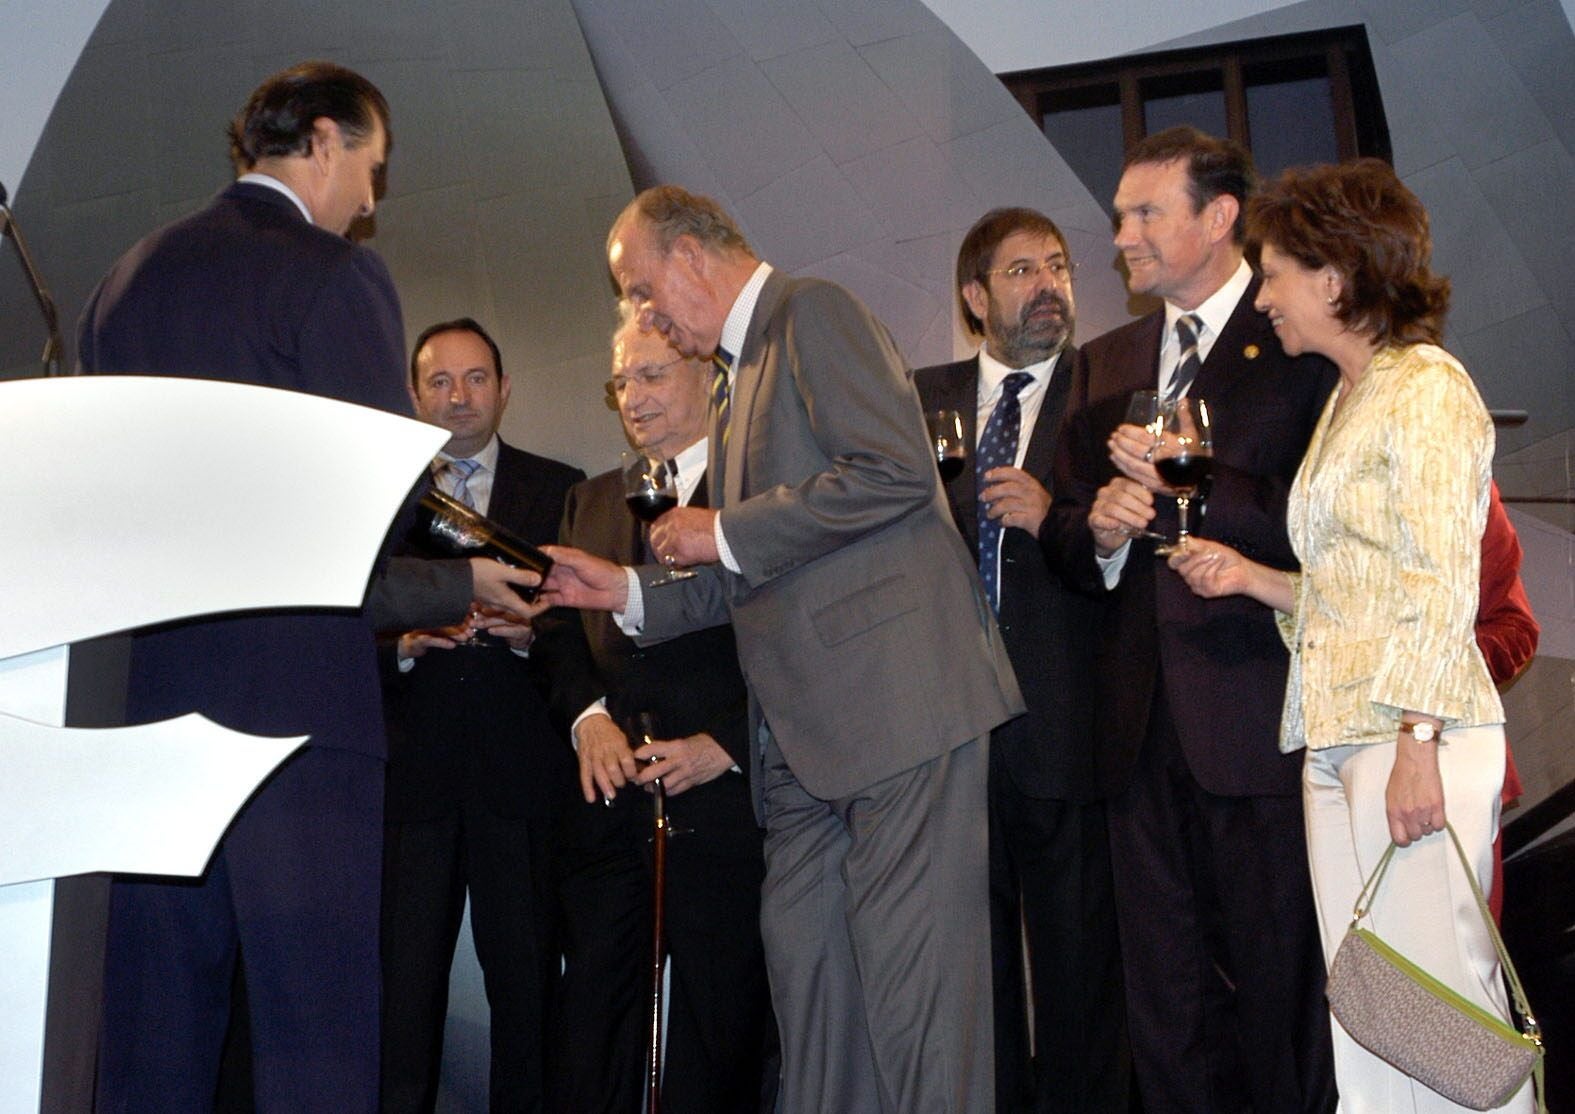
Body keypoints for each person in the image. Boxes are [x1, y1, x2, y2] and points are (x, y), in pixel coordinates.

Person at [76, 63, 539, 1112]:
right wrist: (459, 581)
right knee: (316, 1042)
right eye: (371, 169)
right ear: (323, 142)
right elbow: (356, 523)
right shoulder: (333, 275)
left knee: (151, 1046)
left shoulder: (126, 278)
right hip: (297, 718)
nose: (370, 202)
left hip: (146, 716)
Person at [542, 185, 1023, 1114]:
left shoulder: (812, 312)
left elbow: (892, 472)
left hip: (895, 713)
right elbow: (754, 564)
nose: (643, 316)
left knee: (916, 1001)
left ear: (690, 258)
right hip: (800, 744)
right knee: (814, 989)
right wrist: (628, 590)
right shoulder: (736, 376)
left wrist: (721, 529)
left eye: (641, 290)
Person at [1168, 158, 1530, 1113]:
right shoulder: (1347, 397)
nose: (1266, 296)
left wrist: (1417, 742)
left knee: (1438, 1022)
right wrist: (1254, 580)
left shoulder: (1425, 388)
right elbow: (1357, 585)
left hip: (1409, 737)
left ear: (1333, 279)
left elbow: (1437, 576)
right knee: (1370, 1023)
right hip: (1337, 741)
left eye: (1276, 271)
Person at [1042, 127, 1336, 1114]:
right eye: (1119, 214)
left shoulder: (1295, 339)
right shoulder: (1104, 361)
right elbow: (1064, 534)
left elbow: (1322, 521)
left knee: (1276, 990)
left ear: (1219, 217)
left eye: (1144, 212)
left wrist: (1187, 481)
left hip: (1255, 722)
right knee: (1163, 1005)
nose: (1120, 235)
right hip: (1133, 736)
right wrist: (1106, 531)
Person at [532, 316, 774, 1112]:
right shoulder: (590, 499)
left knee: (720, 1025)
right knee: (594, 1022)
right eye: (622, 382)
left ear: (709, 376)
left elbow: (793, 643)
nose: (633, 398)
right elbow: (556, 635)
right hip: (608, 809)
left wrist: (726, 745)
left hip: (720, 802)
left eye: (653, 376)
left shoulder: (754, 500)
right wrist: (587, 718)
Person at [914, 208, 1126, 1114]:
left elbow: (1124, 564)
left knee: (1080, 968)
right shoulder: (917, 398)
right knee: (973, 970)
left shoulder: (1107, 395)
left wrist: (1052, 517)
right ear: (973, 296)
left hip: (1066, 722)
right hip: (948, 732)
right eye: (1019, 271)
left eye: (1059, 267)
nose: (1047, 286)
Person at [380, 318, 582, 1114]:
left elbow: (594, 638)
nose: (458, 396)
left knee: (529, 1000)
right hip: (412, 789)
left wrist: (536, 636)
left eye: (474, 379)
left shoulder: (565, 491)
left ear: (504, 389)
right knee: (401, 1000)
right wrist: (402, 642)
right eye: (439, 381)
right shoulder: (379, 504)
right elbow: (333, 636)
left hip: (523, 788)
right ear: (412, 394)